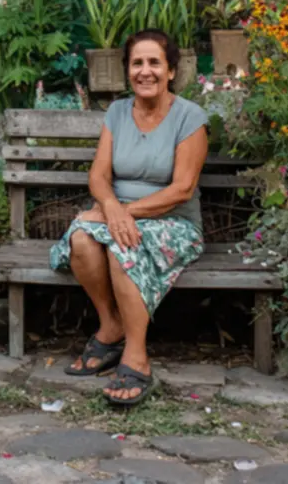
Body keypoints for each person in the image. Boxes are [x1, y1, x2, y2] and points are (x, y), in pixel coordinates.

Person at [49, 28, 209, 405]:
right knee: (82, 239)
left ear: (170, 71)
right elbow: (99, 176)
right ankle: (112, 326)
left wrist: (122, 215)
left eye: (155, 62)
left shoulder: (190, 117)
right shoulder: (118, 112)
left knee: (123, 245)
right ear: (128, 71)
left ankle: (137, 355)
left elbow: (182, 189)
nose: (145, 71)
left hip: (174, 222)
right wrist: (112, 209)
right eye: (137, 63)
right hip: (117, 215)